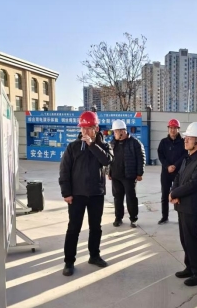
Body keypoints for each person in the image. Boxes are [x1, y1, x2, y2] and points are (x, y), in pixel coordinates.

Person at [59, 111, 113, 277]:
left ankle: (94, 255)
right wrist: (66, 193)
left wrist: (92, 145)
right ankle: (69, 261)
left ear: (96, 128)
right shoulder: (73, 147)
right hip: (77, 195)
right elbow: (64, 171)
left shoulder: (104, 146)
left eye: (89, 128)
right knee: (73, 228)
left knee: (96, 227)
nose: (85, 132)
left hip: (96, 194)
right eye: (83, 128)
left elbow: (107, 160)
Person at [170, 122, 197, 287]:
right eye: (186, 137)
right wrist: (174, 192)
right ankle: (190, 267)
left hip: (192, 207)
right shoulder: (188, 158)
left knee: (192, 241)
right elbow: (178, 177)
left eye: (190, 138)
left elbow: (193, 185)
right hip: (182, 205)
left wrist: (175, 193)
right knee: (184, 239)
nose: (185, 140)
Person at [108, 119, 145, 228]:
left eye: (116, 131)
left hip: (129, 176)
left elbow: (141, 158)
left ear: (122, 131)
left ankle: (133, 219)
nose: (114, 133)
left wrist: (140, 173)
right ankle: (118, 218)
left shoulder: (134, 143)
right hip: (116, 176)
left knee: (131, 198)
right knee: (117, 198)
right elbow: (109, 159)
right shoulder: (112, 143)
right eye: (114, 131)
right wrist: (109, 172)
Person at [157, 119, 186, 224]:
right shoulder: (163, 142)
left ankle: (180, 217)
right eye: (171, 128)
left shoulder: (183, 142)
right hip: (166, 172)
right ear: (168, 129)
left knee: (178, 194)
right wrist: (167, 166)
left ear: (178, 129)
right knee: (165, 195)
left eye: (175, 128)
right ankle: (164, 217)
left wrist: (175, 165)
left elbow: (185, 155)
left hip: (179, 172)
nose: (173, 130)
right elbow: (161, 156)